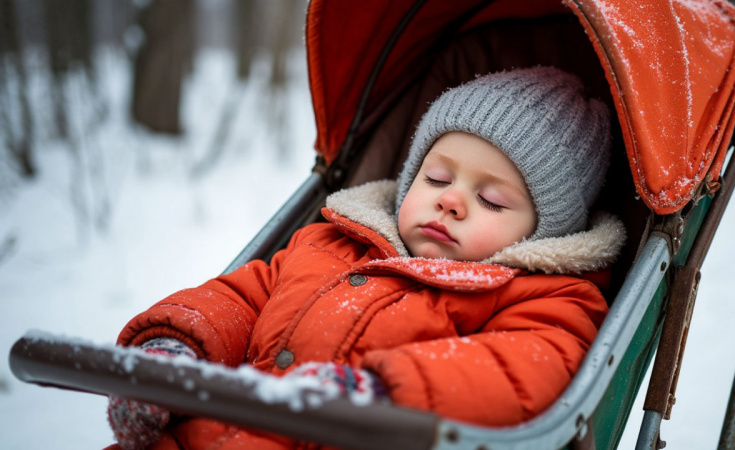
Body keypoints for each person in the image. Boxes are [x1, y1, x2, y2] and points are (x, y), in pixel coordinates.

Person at [106, 66, 626, 450]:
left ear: (543, 230)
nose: (450, 200)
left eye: (491, 200)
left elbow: (525, 370)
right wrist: (173, 349)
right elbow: (241, 297)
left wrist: (379, 392)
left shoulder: (546, 297)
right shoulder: (331, 244)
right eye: (436, 178)